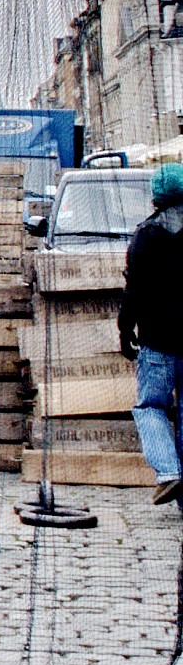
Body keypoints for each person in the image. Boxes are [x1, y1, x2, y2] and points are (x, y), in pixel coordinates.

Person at [120, 162, 183, 507]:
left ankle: (169, 472)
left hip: (157, 342)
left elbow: (134, 291)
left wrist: (124, 330)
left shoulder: (147, 234)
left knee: (151, 407)